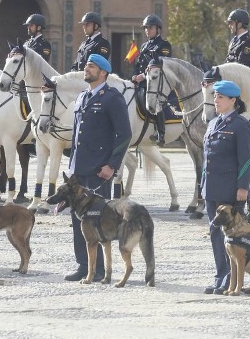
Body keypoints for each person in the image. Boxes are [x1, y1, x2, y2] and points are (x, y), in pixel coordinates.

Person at [64, 54, 132, 282]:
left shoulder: (112, 98)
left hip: (97, 171)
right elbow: (76, 136)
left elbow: (124, 135)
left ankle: (101, 269)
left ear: (103, 72)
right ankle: (84, 265)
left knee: (98, 220)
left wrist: (112, 165)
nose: (86, 69)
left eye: (91, 66)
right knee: (79, 221)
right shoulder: (83, 96)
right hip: (78, 170)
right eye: (86, 66)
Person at [201, 80, 250, 295]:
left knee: (232, 237)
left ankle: (230, 279)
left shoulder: (241, 125)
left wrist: (243, 187)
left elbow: (247, 159)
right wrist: (202, 185)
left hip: (229, 189)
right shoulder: (213, 123)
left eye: (220, 97)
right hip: (211, 188)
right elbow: (207, 158)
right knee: (215, 234)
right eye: (215, 96)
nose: (216, 100)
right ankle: (220, 276)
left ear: (233, 100)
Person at [131, 14, 172, 145]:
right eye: (146, 28)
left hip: (156, 82)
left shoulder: (164, 45)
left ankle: (161, 133)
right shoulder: (144, 46)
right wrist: (135, 76)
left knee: (155, 102)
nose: (147, 30)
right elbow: (138, 64)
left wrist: (142, 76)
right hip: (142, 82)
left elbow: (160, 65)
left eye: (150, 27)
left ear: (158, 29)